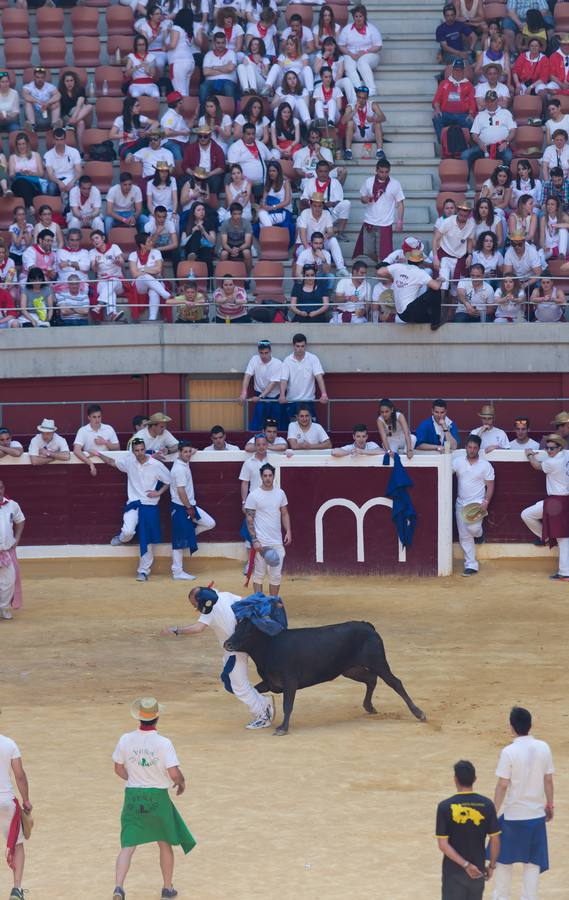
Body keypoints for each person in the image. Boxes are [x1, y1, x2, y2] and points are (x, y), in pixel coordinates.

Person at [111, 696, 195, 900]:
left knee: (128, 845)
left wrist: (134, 778)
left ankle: (119, 888)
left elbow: (118, 768)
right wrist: (181, 782)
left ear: (139, 718)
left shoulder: (125, 739)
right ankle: (167, 888)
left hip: (133, 796)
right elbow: (174, 773)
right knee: (164, 843)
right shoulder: (163, 743)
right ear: (157, 718)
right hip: (157, 797)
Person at [161, 586, 275, 729]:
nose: (195, 608)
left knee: (239, 687)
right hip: (242, 642)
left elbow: (198, 628)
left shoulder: (209, 610)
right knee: (231, 681)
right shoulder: (224, 595)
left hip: (236, 649)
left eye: (194, 604)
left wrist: (176, 630)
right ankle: (262, 703)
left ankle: (263, 713)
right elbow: (245, 602)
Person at [492, 706, 555, 898]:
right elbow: (548, 780)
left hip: (513, 817)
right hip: (535, 817)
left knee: (503, 862)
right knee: (532, 866)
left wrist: (493, 813)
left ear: (512, 727)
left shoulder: (509, 751)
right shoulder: (544, 747)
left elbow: (503, 785)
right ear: (530, 725)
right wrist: (550, 805)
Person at [96, 438, 171, 582]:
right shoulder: (129, 462)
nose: (140, 453)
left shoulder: (156, 464)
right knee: (128, 531)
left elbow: (168, 481)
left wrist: (159, 492)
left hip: (150, 505)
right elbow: (112, 462)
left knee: (147, 541)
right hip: (134, 504)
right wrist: (98, 453)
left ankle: (143, 572)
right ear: (133, 451)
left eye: (142, 449)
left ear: (145, 448)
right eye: (137, 450)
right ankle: (122, 538)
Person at [435, 759, 500, 899]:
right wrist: (491, 866)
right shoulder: (487, 805)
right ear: (475, 779)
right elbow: (495, 839)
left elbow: (443, 845)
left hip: (453, 874)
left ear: (455, 779)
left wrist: (465, 865)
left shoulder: (445, 806)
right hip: (477, 872)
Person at [522, 434, 569, 579]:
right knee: (564, 538)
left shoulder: (553, 463)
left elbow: (536, 465)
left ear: (559, 447)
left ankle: (565, 572)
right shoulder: (566, 455)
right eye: (547, 448)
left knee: (563, 538)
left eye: (552, 448)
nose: (548, 451)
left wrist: (529, 454)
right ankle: (547, 538)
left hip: (556, 502)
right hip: (563, 500)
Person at [169, 440, 216, 580]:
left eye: (189, 452)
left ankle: (189, 534)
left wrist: (192, 450)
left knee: (210, 523)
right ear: (179, 452)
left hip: (188, 505)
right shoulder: (179, 469)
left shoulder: (183, 462)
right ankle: (177, 572)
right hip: (182, 506)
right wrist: (189, 507)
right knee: (178, 541)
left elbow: (189, 452)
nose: (188, 454)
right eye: (185, 452)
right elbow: (181, 490)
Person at [245, 462, 291, 595]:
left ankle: (273, 603)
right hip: (262, 541)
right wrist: (254, 540)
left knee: (276, 576)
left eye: (270, 475)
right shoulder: (254, 495)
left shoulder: (280, 493)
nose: (267, 478)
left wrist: (288, 531)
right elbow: (249, 519)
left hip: (277, 541)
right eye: (265, 475)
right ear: (261, 476)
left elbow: (284, 513)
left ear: (273, 476)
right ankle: (259, 603)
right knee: (259, 574)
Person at [453, 433, 495, 576]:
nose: (471, 450)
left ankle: (480, 533)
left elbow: (490, 485)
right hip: (461, 502)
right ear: (465, 447)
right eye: (469, 447)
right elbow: (445, 472)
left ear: (478, 449)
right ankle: (471, 565)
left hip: (477, 503)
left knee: (473, 528)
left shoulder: (485, 465)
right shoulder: (458, 462)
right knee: (464, 535)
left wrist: (486, 502)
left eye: (474, 448)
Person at [0, 723, 32, 899]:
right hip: (5, 801)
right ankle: (17, 889)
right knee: (18, 844)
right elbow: (20, 775)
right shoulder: (9, 744)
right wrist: (26, 800)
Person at [354, 158, 405, 262]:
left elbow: (400, 203)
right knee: (367, 250)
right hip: (369, 220)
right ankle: (378, 262)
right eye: (381, 172)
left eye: (386, 172)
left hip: (385, 223)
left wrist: (399, 221)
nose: (384, 174)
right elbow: (362, 198)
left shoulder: (395, 184)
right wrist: (365, 199)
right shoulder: (368, 181)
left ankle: (382, 268)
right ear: (376, 170)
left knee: (385, 253)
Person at [374, 254, 443, 329]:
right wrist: (440, 280)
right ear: (421, 262)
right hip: (410, 312)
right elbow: (436, 286)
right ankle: (436, 322)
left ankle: (431, 321)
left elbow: (380, 272)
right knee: (436, 291)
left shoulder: (398, 267)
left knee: (427, 317)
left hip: (401, 314)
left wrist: (393, 277)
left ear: (408, 259)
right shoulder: (420, 272)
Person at [279, 333, 328, 421]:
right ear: (293, 346)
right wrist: (282, 395)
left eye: (302, 346)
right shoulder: (287, 360)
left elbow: (319, 377)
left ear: (305, 346)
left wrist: (324, 394)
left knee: (312, 429)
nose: (300, 349)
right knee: (294, 430)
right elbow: (284, 380)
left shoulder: (313, 358)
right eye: (298, 346)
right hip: (292, 401)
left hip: (309, 401)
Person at [338, 4, 382, 95]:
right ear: (354, 17)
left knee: (362, 62)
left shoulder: (371, 28)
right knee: (348, 63)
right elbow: (341, 45)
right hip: (351, 53)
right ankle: (359, 89)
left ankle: (372, 89)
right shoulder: (347, 29)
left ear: (364, 17)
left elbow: (378, 46)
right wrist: (350, 54)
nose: (358, 18)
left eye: (360, 16)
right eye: (356, 16)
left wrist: (366, 51)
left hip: (370, 54)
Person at [128, 234, 172, 323]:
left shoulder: (156, 252)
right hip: (140, 284)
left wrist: (143, 269)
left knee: (154, 291)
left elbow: (158, 269)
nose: (152, 243)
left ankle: (152, 318)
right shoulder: (133, 255)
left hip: (156, 281)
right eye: (149, 241)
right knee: (145, 276)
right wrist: (149, 270)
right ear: (142, 245)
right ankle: (165, 294)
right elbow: (134, 274)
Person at [240, 339, 282, 431]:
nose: (263, 355)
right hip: (259, 395)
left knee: (277, 426)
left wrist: (260, 397)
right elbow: (247, 376)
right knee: (257, 425)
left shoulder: (278, 363)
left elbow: (273, 383)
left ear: (270, 351)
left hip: (274, 397)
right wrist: (243, 393)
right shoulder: (254, 359)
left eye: (266, 353)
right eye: (261, 353)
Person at [431, 58, 476, 143]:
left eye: (460, 70)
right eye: (456, 70)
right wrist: (437, 109)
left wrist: (471, 114)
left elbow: (472, 102)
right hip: (446, 114)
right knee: (436, 118)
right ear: (452, 70)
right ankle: (443, 143)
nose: (458, 72)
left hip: (462, 115)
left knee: (471, 122)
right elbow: (436, 100)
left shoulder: (469, 85)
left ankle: (466, 144)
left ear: (463, 71)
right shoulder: (444, 83)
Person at [0, 479, 25, 621]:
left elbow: (20, 520)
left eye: (1, 487)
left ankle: (3, 608)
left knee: (9, 582)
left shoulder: (12, 505)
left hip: (5, 552)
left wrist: (17, 539)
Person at [89, 230, 126, 324]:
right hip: (102, 281)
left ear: (103, 238)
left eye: (97, 238)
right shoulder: (92, 252)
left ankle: (99, 304)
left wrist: (118, 262)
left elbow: (122, 262)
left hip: (117, 281)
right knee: (110, 291)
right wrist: (96, 264)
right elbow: (94, 269)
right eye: (93, 240)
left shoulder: (114, 247)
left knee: (112, 282)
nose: (95, 241)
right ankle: (112, 313)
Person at [73, 404, 120, 476]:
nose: (97, 419)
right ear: (89, 417)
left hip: (107, 463)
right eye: (94, 417)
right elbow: (76, 450)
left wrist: (105, 442)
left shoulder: (109, 428)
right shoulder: (83, 430)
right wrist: (90, 463)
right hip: (88, 465)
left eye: (99, 416)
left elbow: (117, 447)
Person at [342, 84, 385, 160]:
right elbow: (343, 121)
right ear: (356, 96)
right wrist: (354, 111)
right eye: (359, 97)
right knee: (350, 123)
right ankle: (348, 151)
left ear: (367, 98)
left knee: (377, 123)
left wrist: (373, 119)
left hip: (370, 133)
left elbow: (383, 118)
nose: (361, 100)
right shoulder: (350, 106)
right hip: (356, 133)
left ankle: (380, 151)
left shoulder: (372, 104)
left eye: (363, 98)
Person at [199, 31, 238, 114]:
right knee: (203, 88)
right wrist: (225, 69)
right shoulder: (208, 55)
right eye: (218, 43)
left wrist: (214, 67)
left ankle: (232, 117)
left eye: (223, 43)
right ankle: (202, 118)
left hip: (228, 81)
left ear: (226, 42)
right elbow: (206, 72)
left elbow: (230, 68)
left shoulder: (231, 53)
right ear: (214, 43)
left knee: (229, 88)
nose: (221, 45)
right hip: (210, 82)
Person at [182, 125, 226, 196]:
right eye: (200, 136)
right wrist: (192, 173)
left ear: (210, 136)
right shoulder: (191, 148)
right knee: (183, 180)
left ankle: (211, 203)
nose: (202, 139)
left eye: (205, 137)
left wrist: (210, 174)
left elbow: (222, 167)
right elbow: (184, 165)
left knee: (216, 180)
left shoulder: (217, 148)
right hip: (194, 175)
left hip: (210, 175)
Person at [43, 127, 82, 202]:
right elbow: (50, 175)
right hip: (56, 180)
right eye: (57, 140)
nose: (59, 142)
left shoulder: (74, 152)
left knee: (75, 188)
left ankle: (69, 211)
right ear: (54, 140)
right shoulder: (48, 155)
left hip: (71, 179)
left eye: (61, 139)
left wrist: (72, 182)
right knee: (51, 188)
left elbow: (79, 171)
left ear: (65, 140)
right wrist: (59, 182)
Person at [57, 70, 91, 154]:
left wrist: (73, 118)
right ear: (63, 82)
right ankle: (81, 151)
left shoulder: (80, 89)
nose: (69, 83)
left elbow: (80, 104)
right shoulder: (60, 92)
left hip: (81, 115)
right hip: (68, 118)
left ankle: (70, 124)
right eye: (67, 81)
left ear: (75, 81)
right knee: (81, 123)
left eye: (71, 80)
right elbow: (62, 112)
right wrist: (69, 119)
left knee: (89, 106)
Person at [22, 66, 61, 132]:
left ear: (45, 78)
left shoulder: (49, 86)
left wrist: (47, 103)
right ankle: (32, 126)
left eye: (42, 77)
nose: (40, 79)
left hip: (47, 113)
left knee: (56, 103)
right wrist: (38, 101)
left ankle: (54, 125)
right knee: (27, 102)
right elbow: (25, 95)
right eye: (37, 77)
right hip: (35, 115)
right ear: (34, 77)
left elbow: (58, 95)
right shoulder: (28, 86)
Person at [333, 259, 371, 324]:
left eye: (365, 273)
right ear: (354, 272)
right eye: (362, 273)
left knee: (361, 324)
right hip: (341, 315)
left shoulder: (367, 285)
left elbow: (368, 304)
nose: (364, 276)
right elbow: (336, 300)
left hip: (358, 317)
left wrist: (364, 311)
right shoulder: (343, 281)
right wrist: (348, 298)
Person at [219, 202, 253, 274]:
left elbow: (247, 243)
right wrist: (231, 250)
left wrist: (238, 249)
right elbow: (224, 243)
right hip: (229, 245)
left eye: (239, 214)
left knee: (247, 253)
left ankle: (247, 276)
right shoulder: (225, 224)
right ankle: (224, 276)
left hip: (242, 245)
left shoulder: (247, 223)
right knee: (223, 254)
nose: (237, 216)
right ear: (231, 214)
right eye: (235, 214)